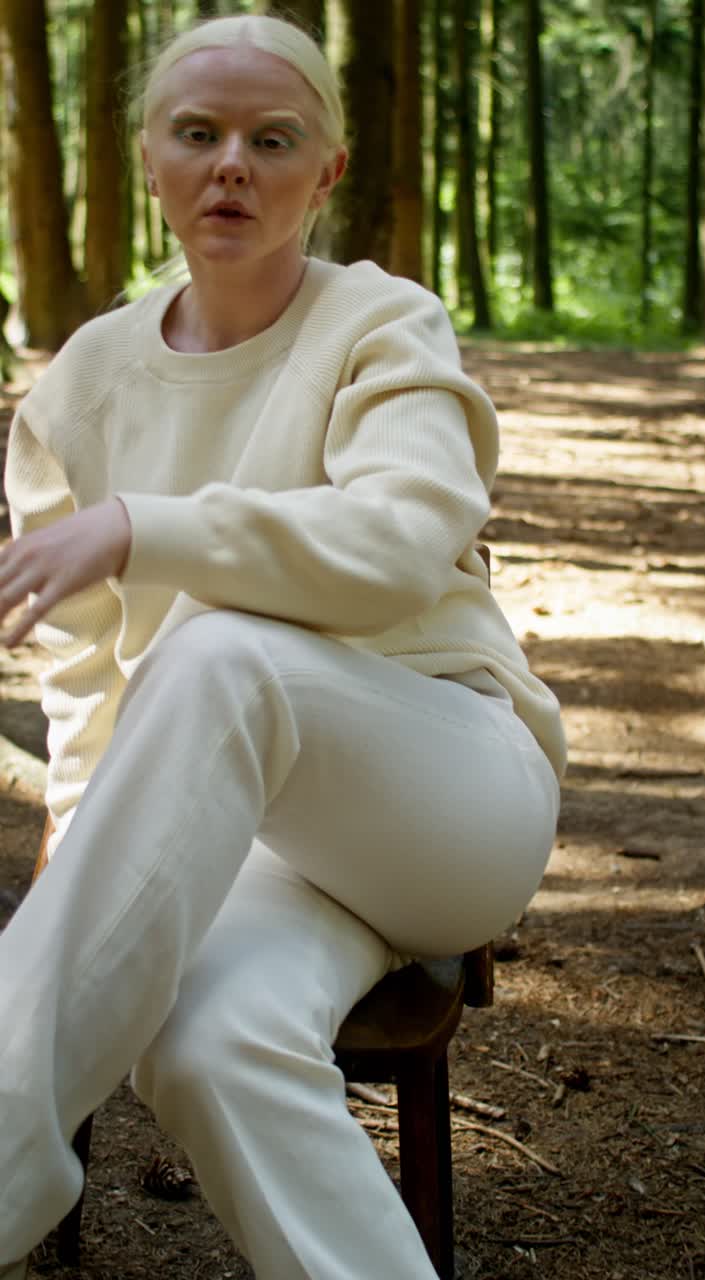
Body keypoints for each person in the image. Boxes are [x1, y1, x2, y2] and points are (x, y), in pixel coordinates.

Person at [0, 14, 566, 1280]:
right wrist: (90, 857)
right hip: (242, 824)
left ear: (331, 170)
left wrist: (148, 530)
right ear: (145, 157)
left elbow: (399, 544)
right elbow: (87, 691)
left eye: (273, 138)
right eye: (197, 135)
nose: (231, 166)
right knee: (206, 1039)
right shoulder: (80, 391)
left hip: (446, 788)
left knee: (216, 654)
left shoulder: (383, 323)